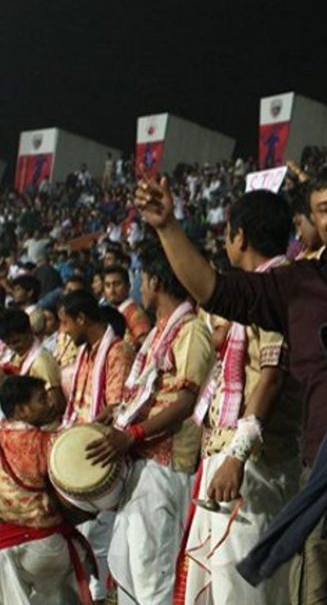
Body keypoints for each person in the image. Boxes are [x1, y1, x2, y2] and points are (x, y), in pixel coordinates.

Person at [135, 160, 327, 605]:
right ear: (312, 219)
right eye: (325, 209)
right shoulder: (297, 283)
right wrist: (167, 228)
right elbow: (214, 290)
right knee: (322, 595)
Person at [176, 191, 303, 604]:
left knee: (243, 589)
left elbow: (271, 377)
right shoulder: (261, 289)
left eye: (227, 235)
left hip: (254, 462)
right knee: (221, 585)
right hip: (235, 457)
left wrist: (236, 455)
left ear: (240, 236)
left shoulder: (277, 287)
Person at [85, 241, 214, 605]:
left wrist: (133, 433)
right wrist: (118, 413)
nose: (139, 287)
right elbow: (149, 392)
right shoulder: (158, 333)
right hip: (141, 460)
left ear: (156, 282)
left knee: (153, 575)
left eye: (142, 279)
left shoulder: (191, 331)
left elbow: (187, 401)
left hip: (166, 463)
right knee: (125, 567)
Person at [59, 290, 133, 603]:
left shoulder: (118, 351)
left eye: (65, 323)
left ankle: (100, 595)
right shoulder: (86, 353)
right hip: (83, 447)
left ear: (81, 319)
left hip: (103, 452)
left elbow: (115, 408)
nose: (63, 331)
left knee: (97, 537)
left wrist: (81, 436)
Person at [0, 376, 90, 604]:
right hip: (44, 546)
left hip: (5, 547)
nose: (50, 403)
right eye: (41, 399)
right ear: (21, 410)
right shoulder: (48, 443)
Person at [0, 309, 65, 418]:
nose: (13, 347)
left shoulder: (42, 362)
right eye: (8, 344)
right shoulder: (16, 356)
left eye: (16, 342)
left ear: (29, 331)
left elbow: (56, 403)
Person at [102, 265, 151, 347]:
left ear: (128, 286)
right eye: (108, 285)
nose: (112, 290)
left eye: (117, 284)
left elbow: (146, 347)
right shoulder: (109, 313)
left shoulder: (136, 314)